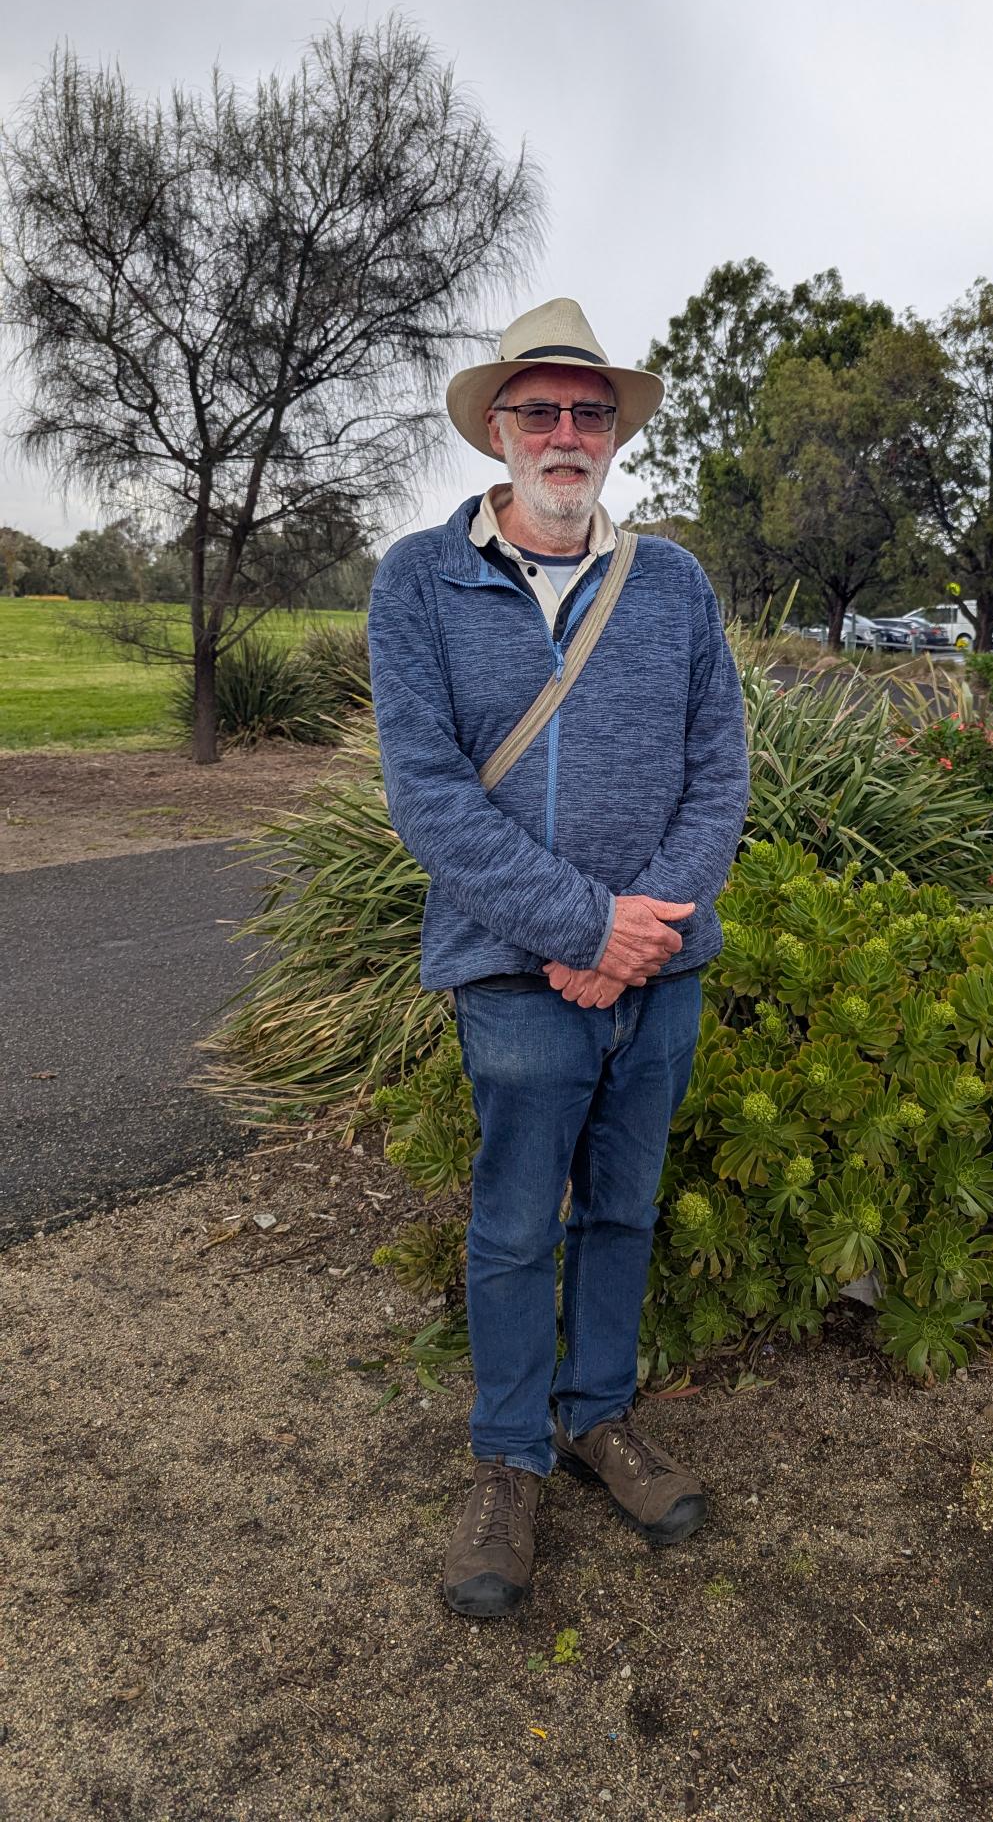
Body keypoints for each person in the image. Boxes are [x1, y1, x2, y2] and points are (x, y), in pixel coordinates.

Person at [367, 297, 749, 1618]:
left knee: (627, 1208)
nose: (570, 432)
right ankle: (510, 1458)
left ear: (613, 433)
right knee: (519, 1224)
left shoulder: (675, 583)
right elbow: (429, 798)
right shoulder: (419, 579)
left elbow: (720, 779)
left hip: (660, 972)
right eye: (543, 410)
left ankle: (599, 1421)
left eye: (592, 412)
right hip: (513, 972)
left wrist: (641, 933)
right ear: (499, 429)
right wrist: (584, 931)